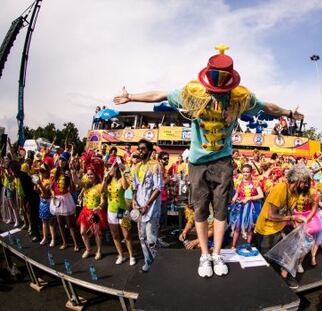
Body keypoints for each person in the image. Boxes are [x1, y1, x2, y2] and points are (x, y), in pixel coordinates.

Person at [114, 44, 303, 278]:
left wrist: (288, 114)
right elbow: (160, 94)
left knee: (221, 210)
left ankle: (217, 254)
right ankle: (205, 255)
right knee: (201, 210)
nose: (218, 92)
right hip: (197, 161)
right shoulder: (193, 92)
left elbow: (267, 106)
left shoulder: (240, 97)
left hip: (223, 160)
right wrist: (131, 96)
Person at [255, 164, 310, 289]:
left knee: (285, 255)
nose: (306, 185)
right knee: (266, 262)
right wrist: (292, 218)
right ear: (297, 180)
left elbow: (289, 212)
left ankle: (281, 279)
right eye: (304, 182)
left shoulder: (295, 194)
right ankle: (263, 287)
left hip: (278, 229)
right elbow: (271, 216)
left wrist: (299, 229)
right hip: (266, 231)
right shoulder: (280, 188)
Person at [131, 139, 162, 272]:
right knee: (142, 237)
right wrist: (133, 200)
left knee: (151, 239)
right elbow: (135, 186)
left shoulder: (156, 166)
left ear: (149, 151)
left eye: (143, 149)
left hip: (151, 209)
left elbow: (158, 188)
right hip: (139, 209)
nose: (140, 151)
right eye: (139, 149)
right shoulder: (137, 167)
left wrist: (148, 204)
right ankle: (148, 261)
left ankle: (159, 263)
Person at [101, 157, 135, 265]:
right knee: (115, 235)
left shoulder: (121, 179)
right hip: (111, 211)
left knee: (127, 235)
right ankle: (121, 255)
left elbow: (125, 187)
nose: (108, 169)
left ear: (115, 167)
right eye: (107, 166)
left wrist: (122, 171)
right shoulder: (108, 180)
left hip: (122, 209)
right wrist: (104, 180)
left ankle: (131, 256)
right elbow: (101, 191)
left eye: (110, 166)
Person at [74, 165, 107, 260]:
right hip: (85, 211)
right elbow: (76, 181)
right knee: (82, 232)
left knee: (97, 233)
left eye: (91, 174)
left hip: (96, 212)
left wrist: (99, 207)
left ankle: (99, 251)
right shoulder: (86, 184)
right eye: (88, 174)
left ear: (96, 175)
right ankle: (88, 249)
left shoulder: (100, 186)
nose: (89, 176)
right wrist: (72, 171)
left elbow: (103, 201)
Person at [49, 152, 80, 251]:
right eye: (60, 159)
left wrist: (70, 177)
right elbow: (50, 187)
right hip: (57, 200)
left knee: (70, 224)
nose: (61, 162)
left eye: (63, 160)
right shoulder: (55, 172)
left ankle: (76, 244)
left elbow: (73, 189)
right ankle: (64, 242)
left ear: (66, 162)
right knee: (60, 223)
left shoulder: (68, 173)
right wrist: (52, 192)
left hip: (66, 199)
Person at [229, 164, 264, 248]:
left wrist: (249, 198)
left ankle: (248, 246)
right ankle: (233, 246)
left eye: (247, 172)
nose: (245, 174)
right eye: (244, 172)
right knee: (237, 227)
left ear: (251, 172)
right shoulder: (239, 182)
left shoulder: (255, 182)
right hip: (240, 207)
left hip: (251, 209)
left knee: (250, 228)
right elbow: (237, 193)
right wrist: (233, 200)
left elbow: (261, 195)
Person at [34, 163, 56, 247]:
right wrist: (36, 187)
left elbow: (46, 192)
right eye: (41, 171)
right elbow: (38, 192)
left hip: (48, 202)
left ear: (47, 171)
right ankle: (45, 237)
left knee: (51, 222)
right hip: (42, 201)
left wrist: (39, 184)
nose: (42, 173)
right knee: (43, 221)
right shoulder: (41, 179)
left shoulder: (49, 181)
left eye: (43, 171)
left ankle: (53, 239)